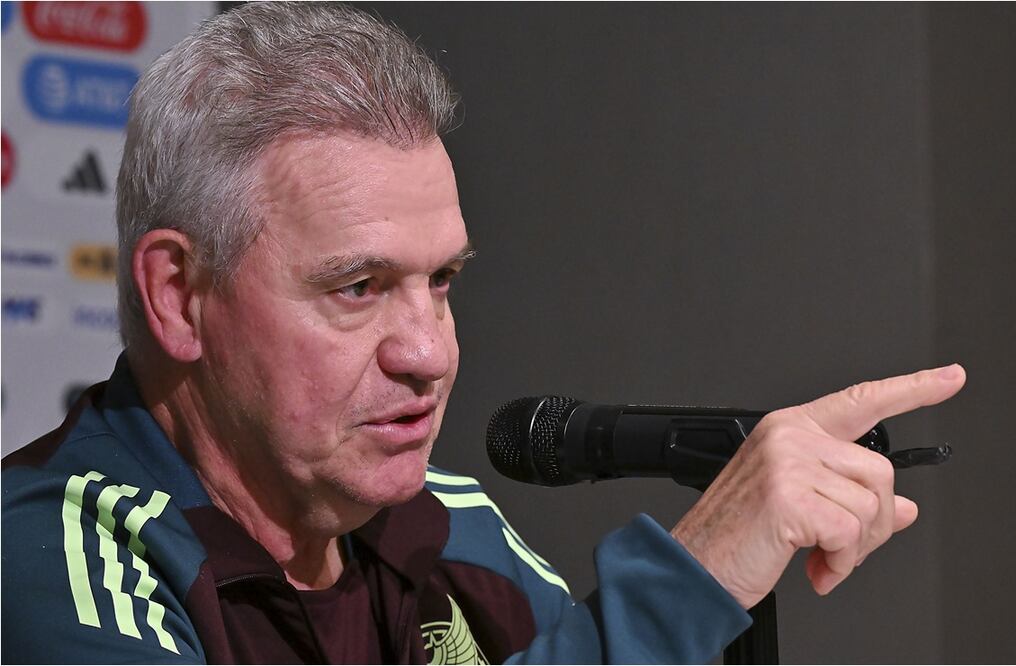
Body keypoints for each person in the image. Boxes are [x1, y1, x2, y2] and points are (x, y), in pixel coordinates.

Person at [0, 3, 965, 664]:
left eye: (443, 281)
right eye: (359, 286)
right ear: (178, 296)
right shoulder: (51, 562)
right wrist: (686, 583)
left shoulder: (455, 523)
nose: (428, 351)